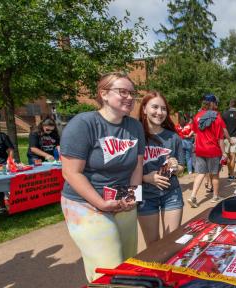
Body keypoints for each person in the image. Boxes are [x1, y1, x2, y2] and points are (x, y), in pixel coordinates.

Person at [60, 72, 145, 281]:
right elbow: (71, 172)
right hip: (85, 204)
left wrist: (132, 197)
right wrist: (101, 203)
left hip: (122, 200)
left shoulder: (135, 126)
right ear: (104, 94)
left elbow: (137, 165)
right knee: (109, 268)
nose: (129, 97)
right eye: (122, 92)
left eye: (132, 93)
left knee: (128, 262)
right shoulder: (83, 123)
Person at [138, 91, 185, 246]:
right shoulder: (134, 135)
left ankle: (169, 271)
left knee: (171, 242)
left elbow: (182, 167)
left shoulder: (173, 137)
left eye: (163, 108)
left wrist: (176, 167)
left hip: (171, 194)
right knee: (152, 245)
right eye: (155, 107)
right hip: (144, 196)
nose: (159, 112)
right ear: (144, 109)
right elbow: (126, 170)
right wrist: (146, 178)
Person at [187, 94, 227, 208]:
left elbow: (195, 133)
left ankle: (193, 196)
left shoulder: (197, 116)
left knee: (200, 173)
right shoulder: (217, 117)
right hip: (213, 150)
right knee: (215, 174)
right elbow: (220, 138)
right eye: (216, 103)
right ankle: (215, 196)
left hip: (200, 149)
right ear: (213, 103)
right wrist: (224, 153)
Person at [221, 99, 236, 180]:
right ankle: (232, 175)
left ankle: (229, 173)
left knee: (228, 157)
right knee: (233, 157)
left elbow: (221, 127)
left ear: (229, 105)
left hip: (226, 138)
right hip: (235, 138)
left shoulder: (224, 114)